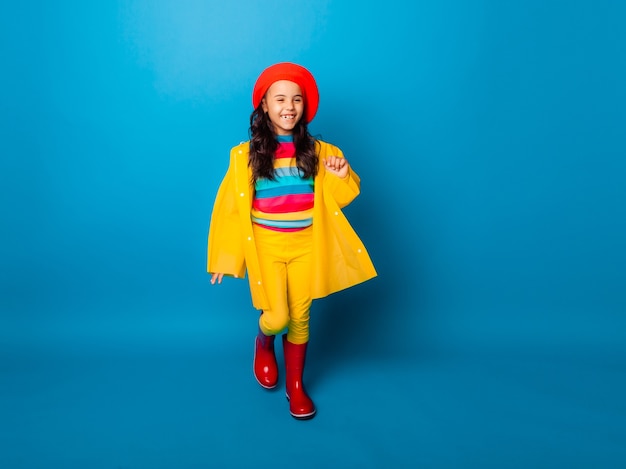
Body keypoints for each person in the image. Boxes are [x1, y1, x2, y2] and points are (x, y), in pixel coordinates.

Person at [207, 62, 376, 420]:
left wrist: (343, 175)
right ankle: (263, 342)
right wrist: (225, 256)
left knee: (300, 318)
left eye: (296, 100)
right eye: (280, 98)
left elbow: (339, 198)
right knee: (277, 316)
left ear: (305, 107)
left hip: (305, 246)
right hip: (266, 246)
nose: (289, 106)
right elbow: (232, 210)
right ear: (264, 106)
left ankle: (296, 387)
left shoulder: (322, 151)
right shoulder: (244, 156)